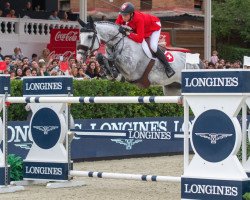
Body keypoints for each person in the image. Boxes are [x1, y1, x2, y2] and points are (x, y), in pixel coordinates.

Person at [115, 2, 175, 78]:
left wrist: (128, 33)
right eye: (122, 15)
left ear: (131, 14)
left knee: (153, 46)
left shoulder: (139, 19)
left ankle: (168, 67)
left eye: (125, 15)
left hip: (154, 26)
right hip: (140, 28)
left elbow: (140, 39)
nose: (123, 17)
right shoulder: (122, 15)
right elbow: (116, 27)